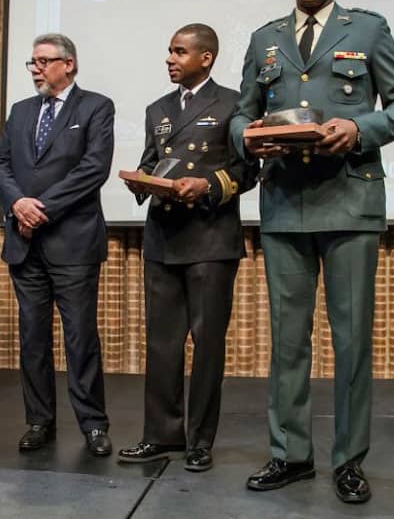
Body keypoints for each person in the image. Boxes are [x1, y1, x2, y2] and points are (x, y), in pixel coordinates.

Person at [228, 0, 394, 502]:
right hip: (285, 204)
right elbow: (243, 112)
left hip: (350, 203)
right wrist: (249, 138)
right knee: (288, 341)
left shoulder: (368, 30)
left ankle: (349, 460)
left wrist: (360, 129)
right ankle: (289, 455)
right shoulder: (266, 38)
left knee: (352, 340)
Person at [118, 24, 257, 472]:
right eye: (170, 51)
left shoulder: (234, 103)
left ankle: (200, 440)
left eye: (179, 52)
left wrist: (208, 185)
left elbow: (247, 170)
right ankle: (160, 435)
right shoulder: (156, 108)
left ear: (206, 57)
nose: (170, 59)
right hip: (163, 236)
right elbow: (149, 160)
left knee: (207, 343)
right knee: (162, 344)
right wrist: (142, 180)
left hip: (210, 238)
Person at [0, 33, 115, 457]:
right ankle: (39, 420)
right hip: (25, 245)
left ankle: (94, 424)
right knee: (33, 338)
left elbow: (93, 169)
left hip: (73, 243)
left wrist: (40, 208)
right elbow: (0, 164)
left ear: (70, 64)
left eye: (44, 62)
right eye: (32, 63)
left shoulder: (96, 107)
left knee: (80, 338)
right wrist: (17, 203)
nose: (36, 69)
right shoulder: (21, 111)